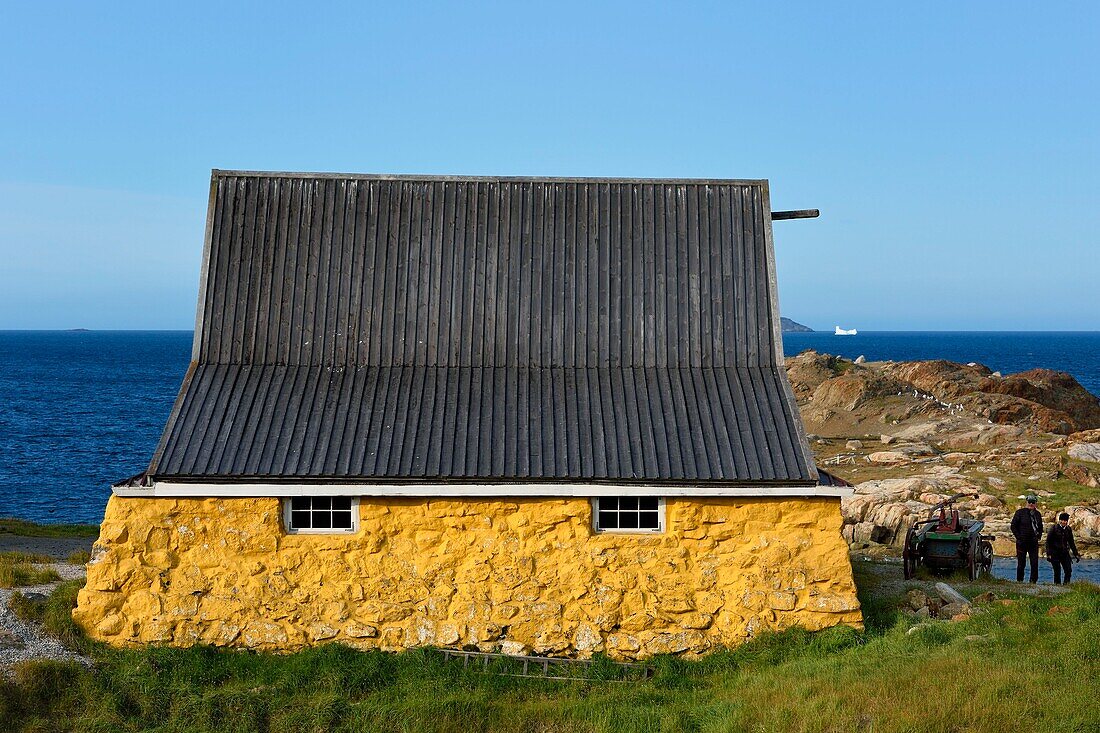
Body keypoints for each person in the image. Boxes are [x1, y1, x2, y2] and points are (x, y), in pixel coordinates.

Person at [1010, 494, 1044, 583]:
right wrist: (1019, 537)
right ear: (1026, 502)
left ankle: (1033, 582)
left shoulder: (1038, 514)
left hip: (1033, 542)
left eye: (1033, 502)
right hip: (1022, 542)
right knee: (1021, 563)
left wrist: (1039, 536)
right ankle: (1019, 581)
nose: (1031, 504)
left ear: (1036, 503)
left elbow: (1040, 526)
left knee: (1034, 563)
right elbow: (1013, 526)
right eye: (1029, 502)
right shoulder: (1019, 512)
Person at [1046, 512, 1081, 584]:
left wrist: (1076, 554)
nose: (1064, 522)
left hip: (1065, 553)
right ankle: (1057, 587)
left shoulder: (1068, 529)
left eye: (1065, 520)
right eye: (1062, 520)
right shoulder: (1053, 528)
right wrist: (1048, 554)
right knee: (1057, 571)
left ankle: (1066, 586)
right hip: (1054, 553)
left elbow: (1071, 542)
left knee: (1068, 570)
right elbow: (1048, 542)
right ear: (1059, 520)